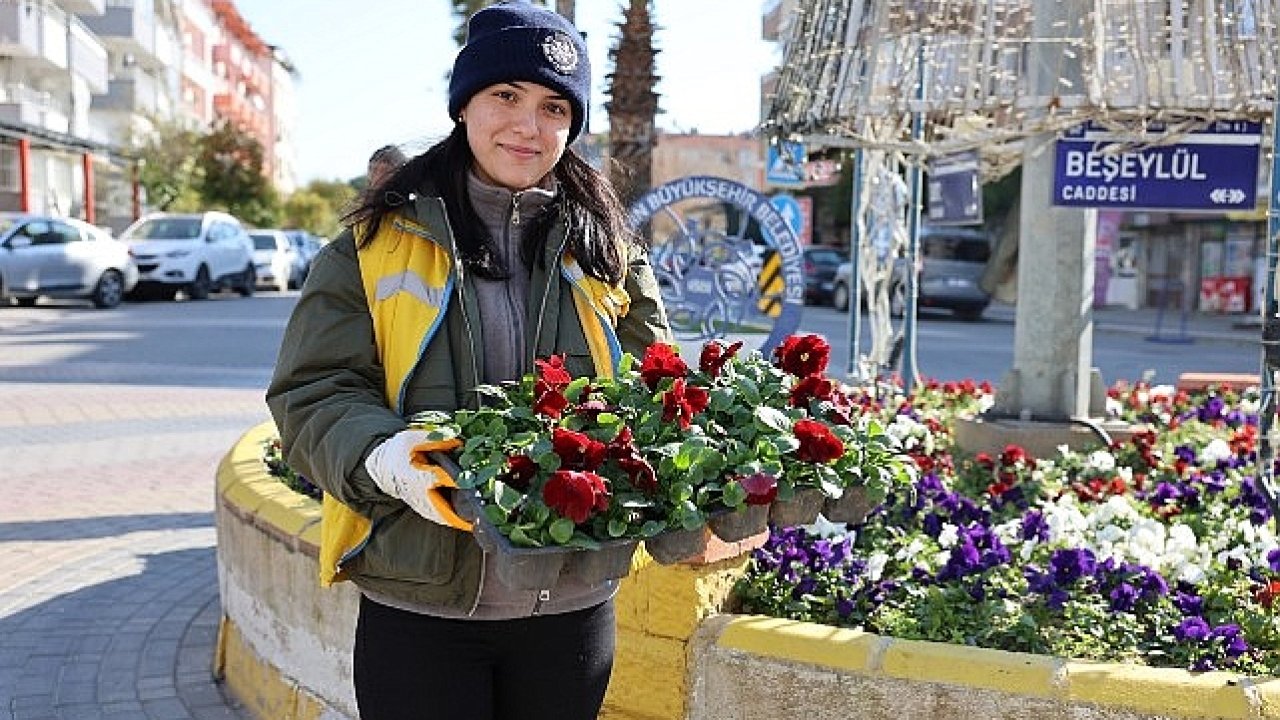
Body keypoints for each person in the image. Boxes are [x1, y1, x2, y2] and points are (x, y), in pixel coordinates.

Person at [265, 2, 672, 719]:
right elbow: (311, 392)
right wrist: (386, 456)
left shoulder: (608, 248)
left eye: (553, 107)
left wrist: (700, 477)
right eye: (505, 96)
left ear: (572, 124)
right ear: (464, 107)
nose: (529, 125)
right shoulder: (373, 244)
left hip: (572, 603)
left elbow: (659, 392)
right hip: (423, 601)